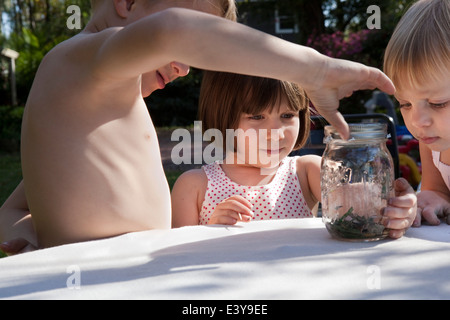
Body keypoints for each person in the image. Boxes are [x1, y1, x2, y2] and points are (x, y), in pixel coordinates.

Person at [0, 0, 397, 254]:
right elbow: (171, 29)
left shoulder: (98, 105)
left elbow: (16, 207)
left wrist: (37, 240)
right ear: (127, 4)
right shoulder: (80, 59)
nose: (185, 66)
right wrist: (316, 69)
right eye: (192, 42)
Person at [171, 71, 416, 239]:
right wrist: (210, 230)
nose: (275, 132)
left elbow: (363, 207)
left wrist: (400, 206)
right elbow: (176, 258)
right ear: (221, 118)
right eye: (257, 117)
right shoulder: (195, 185)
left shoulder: (305, 171)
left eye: (287, 115)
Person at [384, 0, 450, 227]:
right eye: (405, 104)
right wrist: (426, 200)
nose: (417, 121)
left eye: (438, 103)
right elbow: (438, 191)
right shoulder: (433, 141)